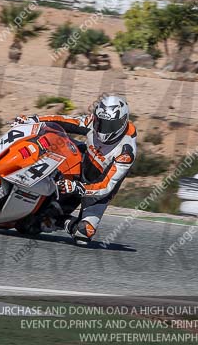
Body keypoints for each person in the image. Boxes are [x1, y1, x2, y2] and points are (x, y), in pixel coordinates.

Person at [12, 95, 137, 246]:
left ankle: (62, 221)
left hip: (97, 192)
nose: (102, 129)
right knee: (53, 139)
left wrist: (79, 188)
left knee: (84, 233)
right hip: (79, 166)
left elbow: (106, 186)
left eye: (109, 126)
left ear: (122, 123)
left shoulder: (126, 151)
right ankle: (22, 171)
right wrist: (36, 120)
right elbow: (65, 121)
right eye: (100, 122)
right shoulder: (92, 122)